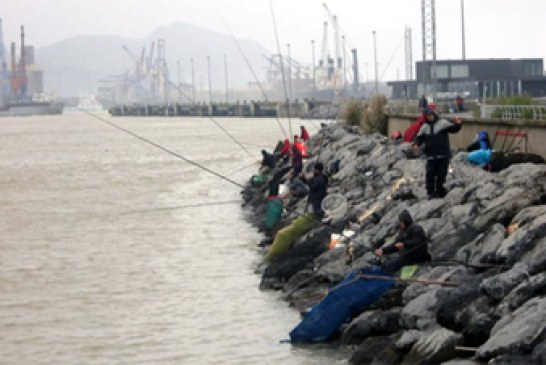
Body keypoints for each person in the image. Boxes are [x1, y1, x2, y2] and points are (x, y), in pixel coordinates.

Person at [265, 162, 328, 262]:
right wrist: (303, 178)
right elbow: (310, 184)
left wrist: (305, 179)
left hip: (316, 205)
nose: (314, 171)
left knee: (284, 233)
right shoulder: (319, 177)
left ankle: (272, 256)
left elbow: (312, 186)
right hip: (314, 204)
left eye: (315, 170)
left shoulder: (320, 179)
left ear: (318, 170)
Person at [413, 109, 462, 199]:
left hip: (443, 155)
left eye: (431, 115)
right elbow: (419, 138)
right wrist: (416, 144)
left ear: (434, 114)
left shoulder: (443, 123)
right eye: (428, 115)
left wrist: (458, 124)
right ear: (426, 117)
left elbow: (453, 129)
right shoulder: (424, 127)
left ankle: (440, 192)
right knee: (430, 173)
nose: (430, 117)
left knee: (441, 175)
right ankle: (430, 193)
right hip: (431, 156)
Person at [374, 210, 430, 274]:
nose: (400, 224)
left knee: (392, 264)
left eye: (401, 222)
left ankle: (388, 279)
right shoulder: (403, 231)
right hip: (406, 255)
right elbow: (395, 245)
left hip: (416, 256)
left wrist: (404, 244)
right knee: (387, 262)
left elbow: (418, 242)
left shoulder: (417, 229)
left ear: (405, 221)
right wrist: (383, 250)